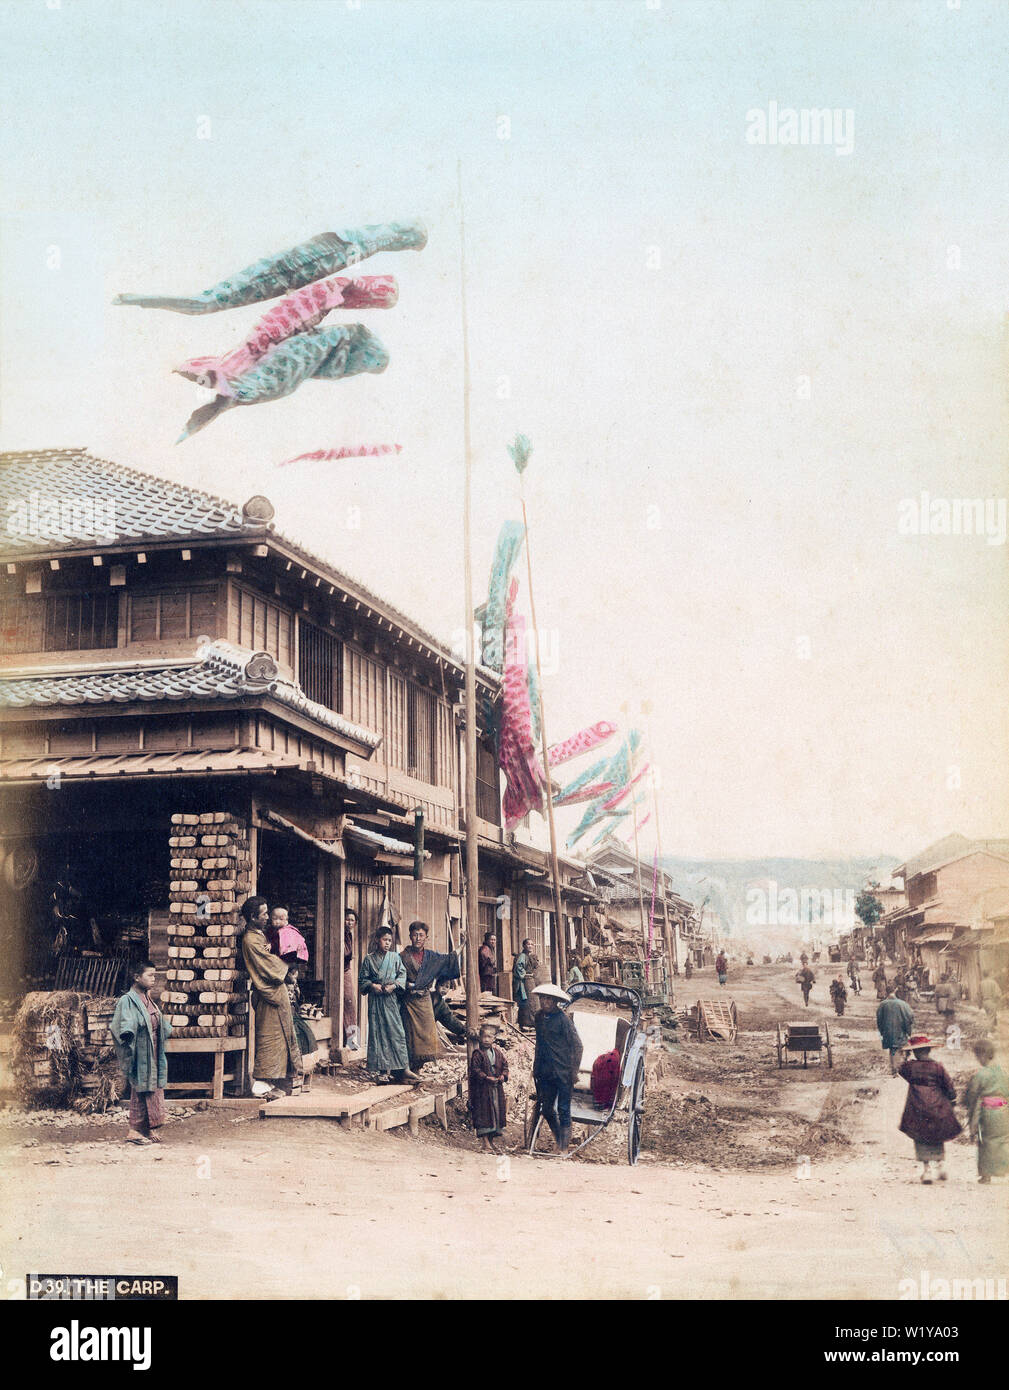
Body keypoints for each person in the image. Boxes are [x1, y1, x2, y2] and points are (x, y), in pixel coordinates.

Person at [240, 896, 303, 1099]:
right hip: (268, 993)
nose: (267, 917)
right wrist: (287, 966)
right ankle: (264, 1083)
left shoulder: (261, 935)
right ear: (252, 917)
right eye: (264, 914)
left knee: (282, 1039)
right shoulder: (251, 939)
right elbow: (269, 966)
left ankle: (279, 1082)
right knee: (270, 1039)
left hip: (277, 993)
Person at [111, 961, 171, 1145]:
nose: (154, 979)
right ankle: (134, 1131)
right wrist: (129, 1036)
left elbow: (158, 1020)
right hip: (139, 1050)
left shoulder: (148, 998)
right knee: (140, 1088)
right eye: (150, 975)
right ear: (136, 977)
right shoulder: (127, 1000)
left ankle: (147, 1128)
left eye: (155, 975)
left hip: (153, 1048)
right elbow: (125, 1023)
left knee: (152, 1087)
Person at [399, 920, 462, 1073]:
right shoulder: (402, 956)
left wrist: (464, 944)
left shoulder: (431, 957)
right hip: (409, 1000)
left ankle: (418, 1067)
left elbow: (449, 958)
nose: (418, 938)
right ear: (410, 936)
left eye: (421, 935)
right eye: (415, 935)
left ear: (426, 937)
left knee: (426, 1035)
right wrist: (406, 985)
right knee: (409, 1034)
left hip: (425, 1000)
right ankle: (408, 1068)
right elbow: (396, 977)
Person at [897, 1034, 962, 1184]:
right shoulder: (938, 1067)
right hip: (937, 1106)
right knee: (937, 1135)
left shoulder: (910, 1067)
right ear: (929, 1050)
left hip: (917, 1108)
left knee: (921, 1137)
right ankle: (940, 1166)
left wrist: (906, 1055)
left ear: (914, 1052)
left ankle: (926, 1171)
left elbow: (900, 1069)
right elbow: (949, 1086)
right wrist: (952, 1099)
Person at [359, 925, 418, 1083]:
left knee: (397, 1032)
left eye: (390, 941)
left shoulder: (395, 957)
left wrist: (394, 986)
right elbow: (362, 980)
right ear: (377, 940)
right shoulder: (369, 959)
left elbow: (402, 975)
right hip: (376, 1001)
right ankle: (382, 1072)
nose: (387, 943)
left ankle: (403, 1068)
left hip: (390, 999)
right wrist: (372, 986)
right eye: (385, 940)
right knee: (379, 1034)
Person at [532, 983, 582, 1155]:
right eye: (542, 998)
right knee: (546, 1109)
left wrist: (573, 1072)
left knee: (563, 1109)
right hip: (545, 1071)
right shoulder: (538, 1017)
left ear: (555, 1002)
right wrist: (535, 1067)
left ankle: (563, 1148)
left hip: (563, 1072)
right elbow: (539, 1044)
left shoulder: (563, 1020)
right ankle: (559, 1138)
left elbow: (577, 1046)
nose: (545, 1002)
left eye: (549, 999)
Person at [963, 1039, 1009, 1183]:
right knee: (1002, 1141)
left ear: (982, 1055)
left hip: (987, 1111)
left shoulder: (981, 1074)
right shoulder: (1003, 1072)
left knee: (985, 1142)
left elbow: (973, 1094)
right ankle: (1004, 1169)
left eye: (978, 1056)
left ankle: (986, 1175)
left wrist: (969, 1109)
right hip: (1003, 1110)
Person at [468, 1022, 509, 1152]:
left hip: (496, 1089)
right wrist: (485, 1077)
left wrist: (503, 1075)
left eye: (489, 1037)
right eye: (484, 1037)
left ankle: (491, 1142)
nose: (486, 1039)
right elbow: (475, 1070)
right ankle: (485, 1142)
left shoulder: (498, 1053)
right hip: (483, 1091)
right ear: (480, 1038)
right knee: (484, 1113)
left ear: (494, 1039)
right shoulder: (477, 1054)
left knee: (496, 1114)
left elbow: (505, 1066)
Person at [876, 985, 914, 1075]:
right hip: (900, 1030)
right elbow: (909, 1018)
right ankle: (902, 1068)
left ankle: (894, 1070)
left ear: (886, 992)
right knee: (902, 1047)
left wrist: (882, 1031)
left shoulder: (882, 1005)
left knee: (892, 1049)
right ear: (895, 990)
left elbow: (879, 1020)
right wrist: (908, 1031)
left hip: (888, 1031)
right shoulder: (903, 1004)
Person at [512, 938, 538, 1032]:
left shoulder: (531, 956)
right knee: (527, 1001)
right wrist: (524, 975)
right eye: (528, 944)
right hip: (525, 980)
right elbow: (519, 966)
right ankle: (526, 1024)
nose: (530, 946)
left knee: (533, 1001)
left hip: (531, 979)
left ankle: (533, 1023)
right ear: (524, 946)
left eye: (532, 944)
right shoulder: (522, 956)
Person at [342, 909, 359, 1050]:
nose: (349, 922)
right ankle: (346, 1039)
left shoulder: (349, 935)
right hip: (339, 970)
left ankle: (351, 1039)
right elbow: (346, 953)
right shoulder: (341, 934)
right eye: (347, 919)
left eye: (352, 920)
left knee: (350, 1003)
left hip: (346, 970)